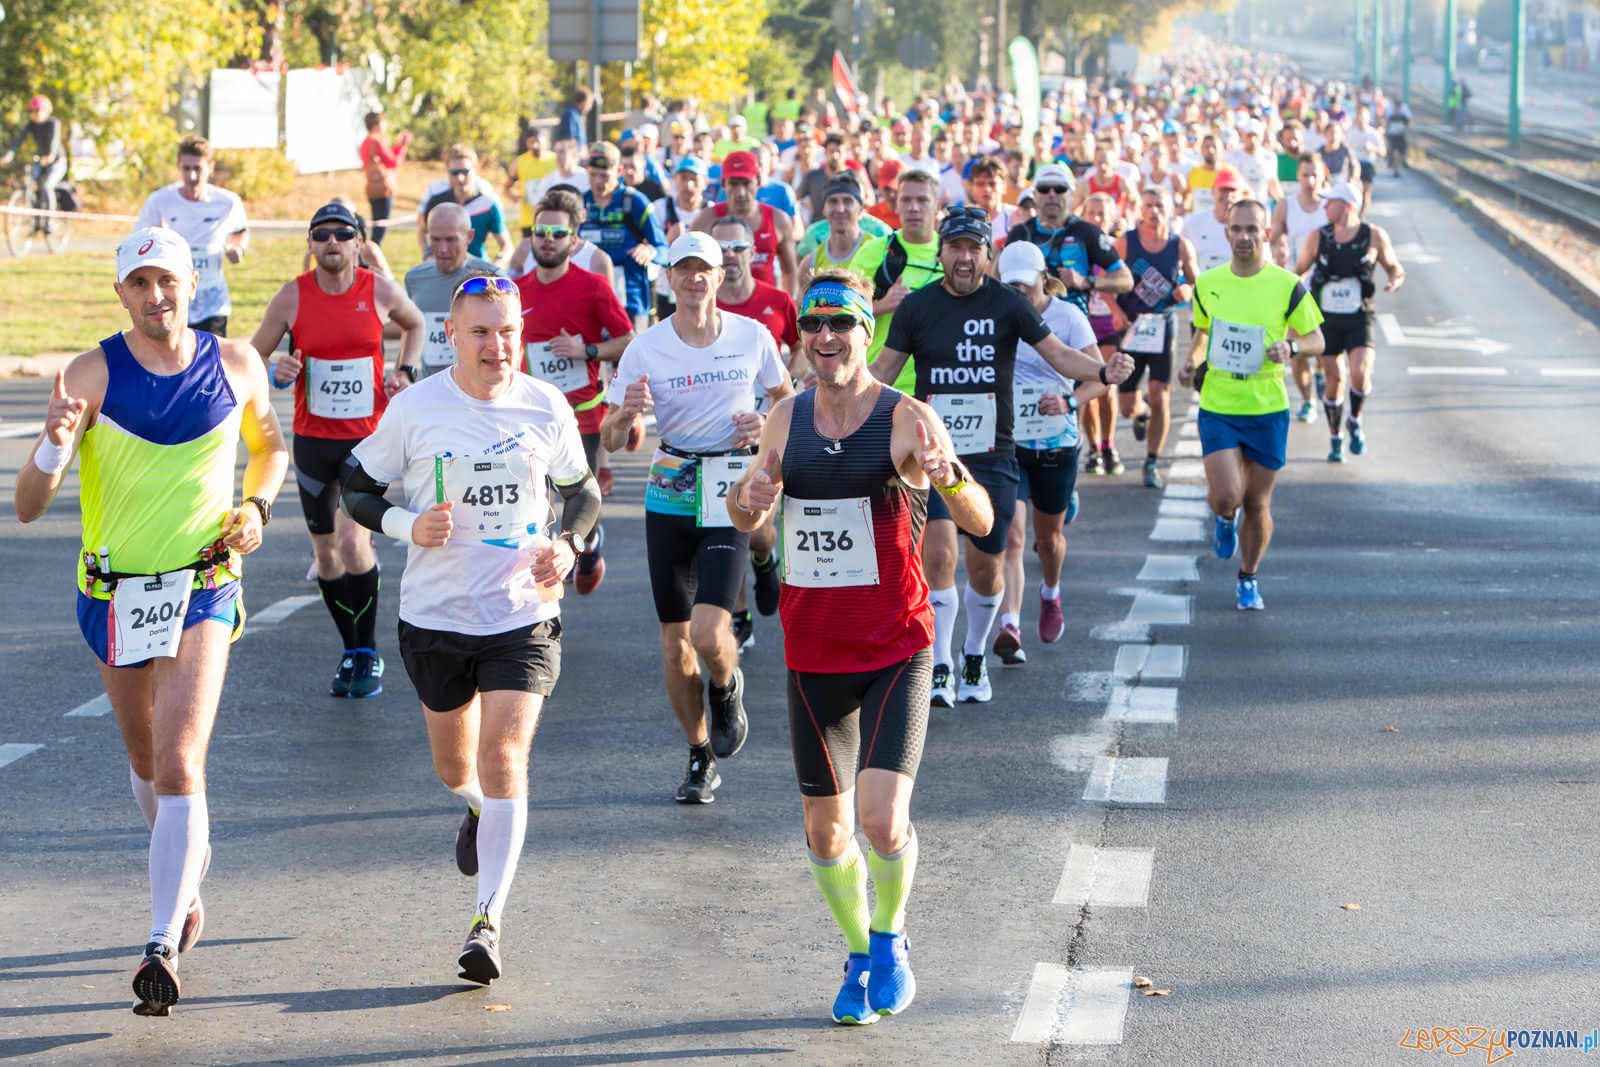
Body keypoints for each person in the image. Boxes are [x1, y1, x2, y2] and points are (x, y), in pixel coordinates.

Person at [13, 226, 288, 1016]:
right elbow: (29, 510)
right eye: (141, 283)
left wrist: (257, 505)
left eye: (168, 280)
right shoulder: (88, 373)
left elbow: (269, 447)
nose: (157, 296)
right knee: (145, 758)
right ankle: (187, 870)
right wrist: (55, 444)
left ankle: (161, 939)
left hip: (203, 582)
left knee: (179, 761)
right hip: (113, 592)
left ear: (192, 283)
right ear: (122, 293)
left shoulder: (236, 363)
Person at [726, 271, 993, 1024]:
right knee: (826, 829)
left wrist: (949, 474)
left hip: (895, 644)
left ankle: (891, 936)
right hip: (812, 652)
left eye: (841, 322)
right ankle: (859, 953)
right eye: (814, 324)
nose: (826, 336)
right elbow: (745, 509)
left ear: (865, 334)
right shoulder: (786, 417)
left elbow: (977, 518)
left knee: (880, 817)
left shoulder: (907, 418)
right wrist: (746, 501)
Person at [340, 273, 602, 985]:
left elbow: (584, 490)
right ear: (451, 334)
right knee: (456, 768)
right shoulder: (417, 408)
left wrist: (570, 546)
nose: (497, 344)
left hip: (523, 614)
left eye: (509, 329)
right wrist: (405, 523)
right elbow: (353, 482)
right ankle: (480, 811)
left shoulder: (545, 405)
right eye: (481, 331)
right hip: (435, 618)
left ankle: (488, 920)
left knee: (506, 755)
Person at [871, 209, 1132, 705]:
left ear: (988, 256)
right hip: (936, 454)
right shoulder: (917, 308)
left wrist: (1104, 369)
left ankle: (973, 653)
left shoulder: (1009, 303)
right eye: (955, 248)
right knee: (941, 555)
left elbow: (1058, 355)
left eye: (974, 248)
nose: (964, 258)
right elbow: (884, 368)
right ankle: (941, 663)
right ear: (942, 252)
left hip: (994, 456)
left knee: (986, 566)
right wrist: (835, 395)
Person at [599, 232, 792, 804]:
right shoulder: (646, 347)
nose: (694, 278)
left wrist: (765, 424)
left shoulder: (750, 336)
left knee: (710, 632)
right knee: (673, 643)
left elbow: (787, 401)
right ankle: (699, 753)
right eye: (683, 269)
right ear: (669, 279)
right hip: (671, 487)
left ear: (720, 273)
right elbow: (613, 436)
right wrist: (627, 415)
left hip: (730, 485)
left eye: (703, 268)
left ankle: (727, 684)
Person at [249, 202, 425, 693]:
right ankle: (349, 649)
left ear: (358, 244)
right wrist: (274, 370)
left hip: (366, 443)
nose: (331, 241)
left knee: (352, 543)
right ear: (310, 244)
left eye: (342, 234)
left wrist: (405, 370)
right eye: (321, 233)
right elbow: (252, 356)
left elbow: (415, 324)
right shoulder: (291, 299)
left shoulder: (379, 291)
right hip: (311, 443)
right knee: (326, 557)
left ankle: (367, 652)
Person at [1179, 199, 1325, 611]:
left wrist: (1292, 346)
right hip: (1221, 402)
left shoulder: (1286, 284)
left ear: (1265, 233)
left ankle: (1248, 576)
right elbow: (1203, 333)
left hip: (1267, 406)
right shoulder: (1208, 283)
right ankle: (1225, 518)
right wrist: (1190, 363)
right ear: (1227, 232)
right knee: (1227, 494)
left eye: (1252, 230)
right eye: (1237, 229)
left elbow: (1317, 340)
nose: (1244, 237)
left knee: (1258, 503)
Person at [516, 191, 637, 591]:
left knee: (582, 499)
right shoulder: (515, 291)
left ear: (573, 238)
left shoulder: (593, 287)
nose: (547, 239)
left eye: (557, 232)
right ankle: (549, 574)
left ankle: (592, 540)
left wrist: (585, 349)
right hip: (529, 417)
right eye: (540, 231)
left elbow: (626, 339)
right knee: (537, 502)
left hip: (582, 414)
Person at [991, 240, 1103, 664]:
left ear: (1043, 279)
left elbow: (1098, 375)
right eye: (1009, 285)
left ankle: (1051, 592)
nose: (1016, 293)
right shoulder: (995, 314)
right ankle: (1011, 625)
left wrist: (1070, 400)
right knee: (1013, 537)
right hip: (1009, 443)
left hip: (1056, 441)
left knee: (1049, 540)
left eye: (1023, 285)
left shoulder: (1067, 316)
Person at [711, 213, 799, 650]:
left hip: (765, 431)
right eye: (720, 249)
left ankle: (766, 560)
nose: (729, 256)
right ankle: (739, 612)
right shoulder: (701, 309)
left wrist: (773, 412)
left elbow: (802, 349)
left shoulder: (777, 300)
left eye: (737, 248)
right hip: (715, 443)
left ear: (752, 252)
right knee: (727, 528)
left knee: (758, 530)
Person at [1294, 181, 1405, 462]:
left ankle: (1355, 419)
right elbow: (1297, 272)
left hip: (1359, 316)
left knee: (1360, 372)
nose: (1325, 206)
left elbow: (1395, 267)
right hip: (1327, 319)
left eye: (1330, 202)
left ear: (1347, 206)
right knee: (1335, 377)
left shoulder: (1374, 236)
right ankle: (1335, 436)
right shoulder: (1318, 237)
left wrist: (1394, 280)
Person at [1114, 185, 1198, 490]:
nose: (1154, 211)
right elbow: (1107, 277)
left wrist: (1186, 290)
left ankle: (1151, 461)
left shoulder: (1179, 246)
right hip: (1133, 326)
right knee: (1126, 404)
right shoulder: (1127, 243)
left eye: (1160, 205)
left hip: (1163, 324)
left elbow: (1194, 280)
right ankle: (1142, 412)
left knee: (1162, 393)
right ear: (1140, 210)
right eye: (1148, 205)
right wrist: (1114, 310)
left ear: (1170, 209)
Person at [135, 136, 249, 336]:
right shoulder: (160, 200)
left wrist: (237, 248)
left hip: (212, 300)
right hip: (174, 297)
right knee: (175, 361)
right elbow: (141, 241)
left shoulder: (228, 202)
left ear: (210, 167)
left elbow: (240, 231)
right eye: (186, 169)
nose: (192, 176)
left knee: (210, 360)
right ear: (179, 167)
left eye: (198, 168)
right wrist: (159, 239)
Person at [867, 168, 944, 396]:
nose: (913, 207)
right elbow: (841, 317)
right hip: (881, 384)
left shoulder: (954, 255)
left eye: (922, 200)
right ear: (897, 205)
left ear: (937, 206)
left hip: (938, 388)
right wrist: (883, 305)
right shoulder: (873, 252)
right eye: (906, 200)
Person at [405, 202, 501, 379]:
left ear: (469, 237)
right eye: (435, 239)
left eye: (451, 239)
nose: (442, 249)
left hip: (478, 390)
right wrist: (403, 373)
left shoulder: (492, 278)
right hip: (433, 388)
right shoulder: (414, 279)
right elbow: (408, 329)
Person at [580, 141, 669, 332]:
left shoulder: (634, 201)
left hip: (630, 301)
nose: (598, 182)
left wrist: (650, 251)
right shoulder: (580, 203)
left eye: (604, 176)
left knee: (631, 359)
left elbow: (665, 250)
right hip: (589, 300)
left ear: (619, 171)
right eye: (592, 175)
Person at [690, 150, 798, 299]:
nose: (740, 192)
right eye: (733, 184)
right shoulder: (706, 219)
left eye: (747, 183)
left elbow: (790, 271)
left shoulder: (778, 220)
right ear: (723, 184)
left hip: (764, 308)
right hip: (720, 313)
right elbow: (690, 270)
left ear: (758, 181)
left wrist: (789, 308)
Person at [416, 145, 511, 267]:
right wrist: (428, 255)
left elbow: (507, 247)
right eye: (454, 173)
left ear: (476, 169)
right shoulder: (436, 202)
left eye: (465, 172)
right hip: (443, 271)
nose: (460, 178)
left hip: (477, 272)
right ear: (447, 172)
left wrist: (495, 266)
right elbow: (421, 230)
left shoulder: (488, 205)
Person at [797, 174, 888, 292]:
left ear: (860, 210)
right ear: (824, 209)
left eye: (847, 201)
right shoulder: (810, 264)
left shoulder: (879, 252)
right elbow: (801, 308)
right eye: (833, 201)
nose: (840, 209)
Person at [2, 94, 66, 233]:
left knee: (47, 186)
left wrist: (50, 155)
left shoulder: (53, 123)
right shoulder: (31, 125)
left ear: (46, 111)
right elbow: (18, 141)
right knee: (30, 184)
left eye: (37, 110)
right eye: (31, 111)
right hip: (41, 161)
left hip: (57, 162)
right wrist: (9, 155)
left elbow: (54, 140)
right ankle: (36, 221)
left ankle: (50, 221)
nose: (34, 114)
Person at [359, 111, 410, 245]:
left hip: (372, 189)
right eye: (383, 122)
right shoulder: (377, 141)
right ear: (376, 125)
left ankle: (368, 255)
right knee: (379, 230)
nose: (385, 125)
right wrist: (403, 147)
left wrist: (398, 146)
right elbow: (393, 162)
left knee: (376, 224)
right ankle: (370, 256)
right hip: (383, 189)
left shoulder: (365, 143)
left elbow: (386, 158)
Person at [504, 127, 553, 239]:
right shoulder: (519, 162)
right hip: (528, 219)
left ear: (546, 141)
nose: (534, 145)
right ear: (527, 143)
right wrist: (515, 197)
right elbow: (507, 187)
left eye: (538, 141)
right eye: (531, 142)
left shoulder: (554, 160)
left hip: (551, 218)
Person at [1384, 101, 1412, 177]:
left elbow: (1409, 123)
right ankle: (1396, 170)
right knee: (1395, 154)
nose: (1397, 110)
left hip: (1401, 138)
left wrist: (1404, 129)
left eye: (1398, 109)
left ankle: (1399, 165)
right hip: (1393, 137)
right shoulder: (1391, 117)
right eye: (1396, 109)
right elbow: (1387, 126)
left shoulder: (1403, 117)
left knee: (1401, 156)